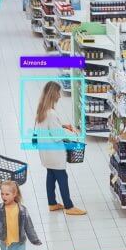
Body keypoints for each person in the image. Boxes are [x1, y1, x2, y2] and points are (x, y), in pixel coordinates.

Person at [34, 81, 86, 216]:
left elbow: (47, 128)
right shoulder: (51, 113)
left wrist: (62, 125)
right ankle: (69, 206)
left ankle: (52, 203)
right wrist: (67, 136)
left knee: (51, 175)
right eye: (58, 92)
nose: (59, 95)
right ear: (53, 94)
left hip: (45, 152)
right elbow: (57, 136)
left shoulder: (41, 110)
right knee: (62, 177)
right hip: (55, 153)